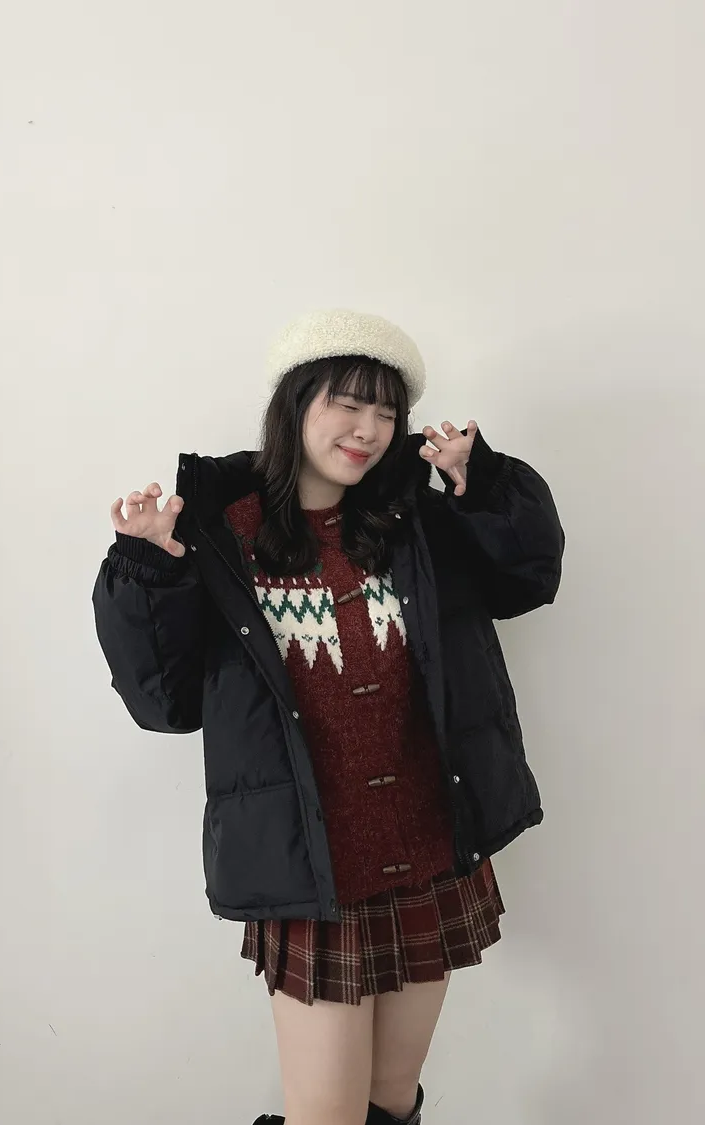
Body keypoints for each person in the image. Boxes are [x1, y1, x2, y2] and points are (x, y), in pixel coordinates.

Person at [92, 309, 564, 1125]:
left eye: (385, 410)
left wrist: (480, 480)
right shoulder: (221, 536)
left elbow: (529, 575)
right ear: (295, 403)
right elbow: (162, 702)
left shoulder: (414, 519)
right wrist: (146, 567)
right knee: (326, 1115)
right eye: (346, 403)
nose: (367, 429)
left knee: (391, 1098)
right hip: (312, 873)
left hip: (429, 852)